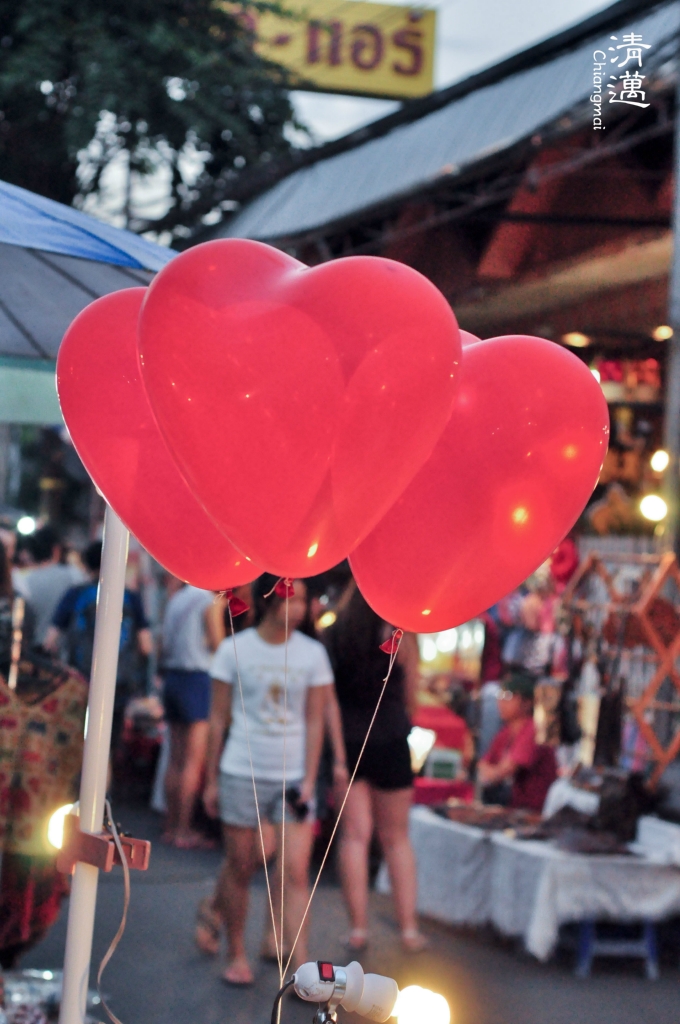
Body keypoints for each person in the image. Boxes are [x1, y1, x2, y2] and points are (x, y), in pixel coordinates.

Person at [203, 575, 334, 986]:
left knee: (295, 871)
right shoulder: (235, 649)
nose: (298, 609)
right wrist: (210, 778)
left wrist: (310, 778)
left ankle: (301, 967)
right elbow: (218, 718)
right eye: (291, 600)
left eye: (303, 602)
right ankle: (236, 951)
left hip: (292, 778)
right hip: (241, 769)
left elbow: (315, 719)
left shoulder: (313, 653)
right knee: (240, 866)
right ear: (269, 601)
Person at [323, 582, 427, 954]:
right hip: (391, 737)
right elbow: (412, 692)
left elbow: (327, 695)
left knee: (354, 836)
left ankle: (358, 929)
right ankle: (409, 929)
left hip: (349, 740)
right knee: (396, 837)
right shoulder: (401, 632)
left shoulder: (335, 633)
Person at [44, 541, 152, 756]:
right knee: (108, 745)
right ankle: (105, 776)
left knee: (77, 743)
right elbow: (146, 646)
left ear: (86, 564)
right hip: (118, 683)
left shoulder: (75, 594)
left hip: (79, 681)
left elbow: (50, 642)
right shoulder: (130, 597)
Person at [160, 581, 226, 848]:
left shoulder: (176, 599)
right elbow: (218, 644)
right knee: (192, 761)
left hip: (173, 676)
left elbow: (163, 642)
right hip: (197, 678)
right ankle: (183, 829)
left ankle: (170, 825)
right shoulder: (209, 601)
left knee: (175, 758)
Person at [477, 671, 557, 812]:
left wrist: (492, 773)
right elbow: (483, 764)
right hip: (513, 808)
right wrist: (490, 772)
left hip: (534, 811)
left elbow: (505, 770)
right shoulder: (506, 732)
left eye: (508, 696)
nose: (501, 702)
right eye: (500, 696)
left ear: (527, 702)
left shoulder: (533, 728)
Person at [23, 526, 84, 645]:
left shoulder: (24, 580)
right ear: (56, 549)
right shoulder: (74, 576)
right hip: (64, 650)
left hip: (32, 648)